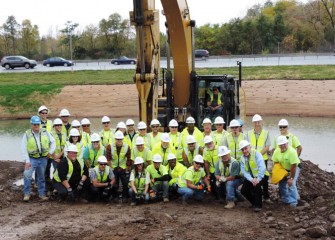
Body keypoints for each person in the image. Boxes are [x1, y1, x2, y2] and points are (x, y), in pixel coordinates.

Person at [22, 116, 56, 202]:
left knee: (41, 177)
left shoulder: (45, 132)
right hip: (32, 159)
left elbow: (53, 141)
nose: (36, 126)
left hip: (43, 159)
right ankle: (26, 194)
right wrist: (27, 161)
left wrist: (50, 152)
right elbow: (23, 148)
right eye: (34, 124)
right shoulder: (27, 134)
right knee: (27, 175)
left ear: (40, 124)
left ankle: (42, 194)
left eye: (37, 124)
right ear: (31, 124)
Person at [245, 114, 271, 202]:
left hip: (263, 159)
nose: (257, 124)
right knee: (253, 175)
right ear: (253, 123)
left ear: (261, 122)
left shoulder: (266, 133)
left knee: (264, 177)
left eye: (258, 122)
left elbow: (267, 147)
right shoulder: (248, 134)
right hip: (251, 159)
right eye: (255, 122)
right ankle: (255, 193)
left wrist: (258, 155)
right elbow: (246, 146)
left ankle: (266, 196)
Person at [272, 136, 301, 208]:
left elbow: (293, 166)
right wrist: (278, 175)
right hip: (283, 168)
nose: (282, 146)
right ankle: (286, 200)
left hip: (294, 167)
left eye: (284, 144)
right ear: (278, 145)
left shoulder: (292, 152)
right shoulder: (276, 151)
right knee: (282, 184)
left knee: (291, 184)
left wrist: (291, 178)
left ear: (287, 143)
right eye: (281, 145)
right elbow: (275, 163)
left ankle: (293, 202)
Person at [239, 140, 266, 212]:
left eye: (246, 148)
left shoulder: (257, 154)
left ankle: (258, 205)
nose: (244, 151)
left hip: (262, 175)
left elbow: (262, 167)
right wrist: (251, 179)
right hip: (251, 177)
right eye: (242, 149)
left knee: (257, 186)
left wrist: (258, 179)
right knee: (243, 190)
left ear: (249, 147)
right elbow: (244, 171)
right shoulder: (242, 158)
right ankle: (254, 202)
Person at [106, 130, 131, 201]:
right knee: (114, 182)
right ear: (115, 139)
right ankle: (115, 196)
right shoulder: (110, 146)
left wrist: (126, 168)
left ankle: (125, 196)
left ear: (122, 139)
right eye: (117, 139)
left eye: (120, 139)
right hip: (113, 167)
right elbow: (108, 159)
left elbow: (128, 159)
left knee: (125, 182)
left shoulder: (127, 146)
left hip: (123, 167)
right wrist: (111, 169)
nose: (119, 140)